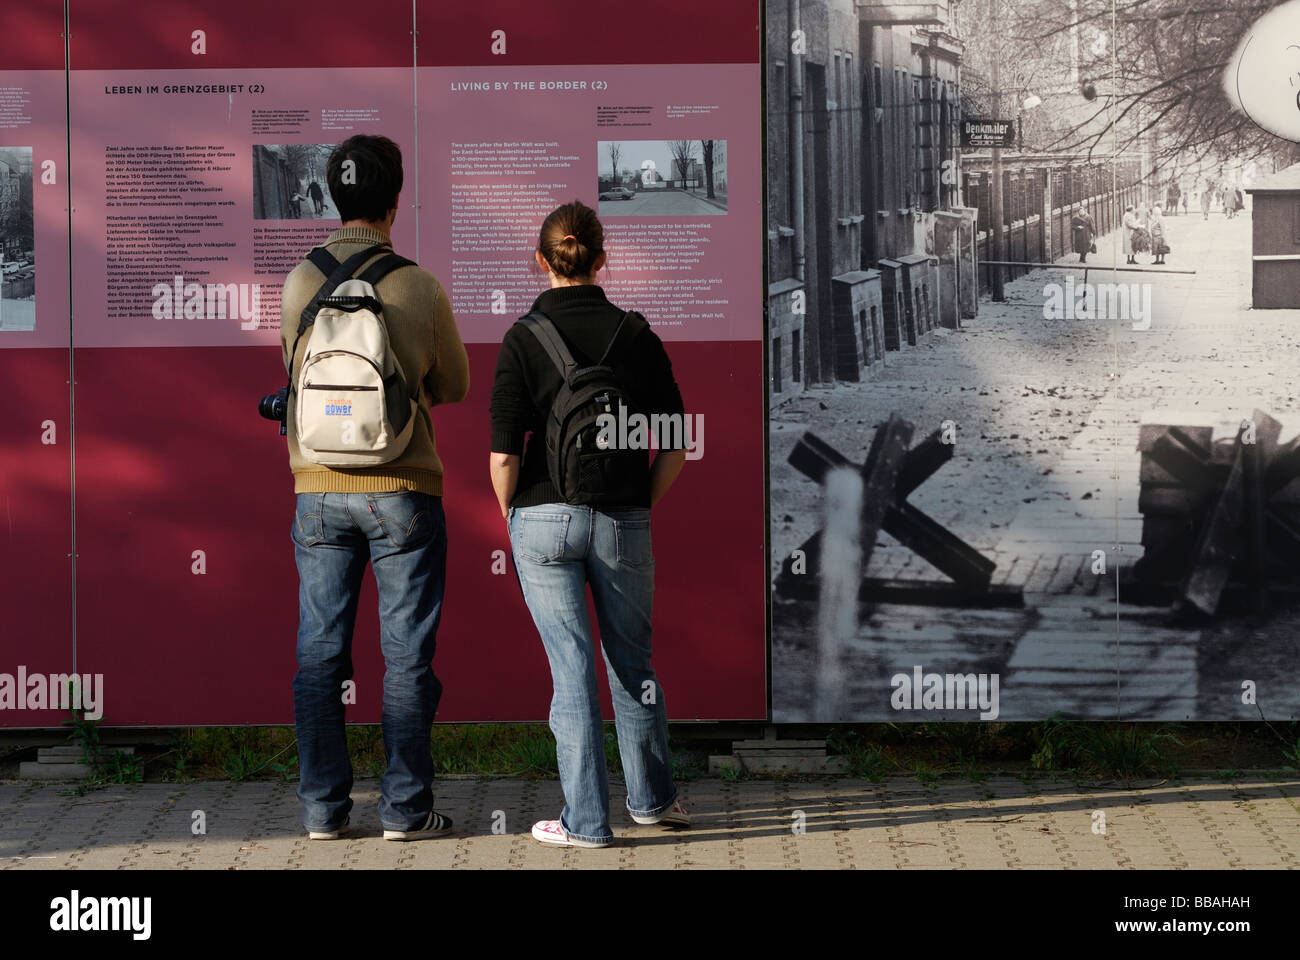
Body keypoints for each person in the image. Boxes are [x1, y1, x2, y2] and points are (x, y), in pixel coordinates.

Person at [279, 134, 470, 842]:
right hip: (403, 490)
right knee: (406, 657)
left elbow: (296, 380)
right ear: (394, 202)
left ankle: (324, 812)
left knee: (319, 654)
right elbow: (453, 384)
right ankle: (404, 811)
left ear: (335, 198)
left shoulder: (300, 281)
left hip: (317, 493)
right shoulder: (418, 285)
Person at [489, 200, 690, 848]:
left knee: (571, 668)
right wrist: (640, 502)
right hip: (621, 517)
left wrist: (514, 516)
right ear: (602, 259)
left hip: (542, 520)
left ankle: (585, 823)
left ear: (541, 261)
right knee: (633, 663)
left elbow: (502, 455)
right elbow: (679, 441)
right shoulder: (635, 334)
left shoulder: (522, 338)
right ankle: (653, 801)